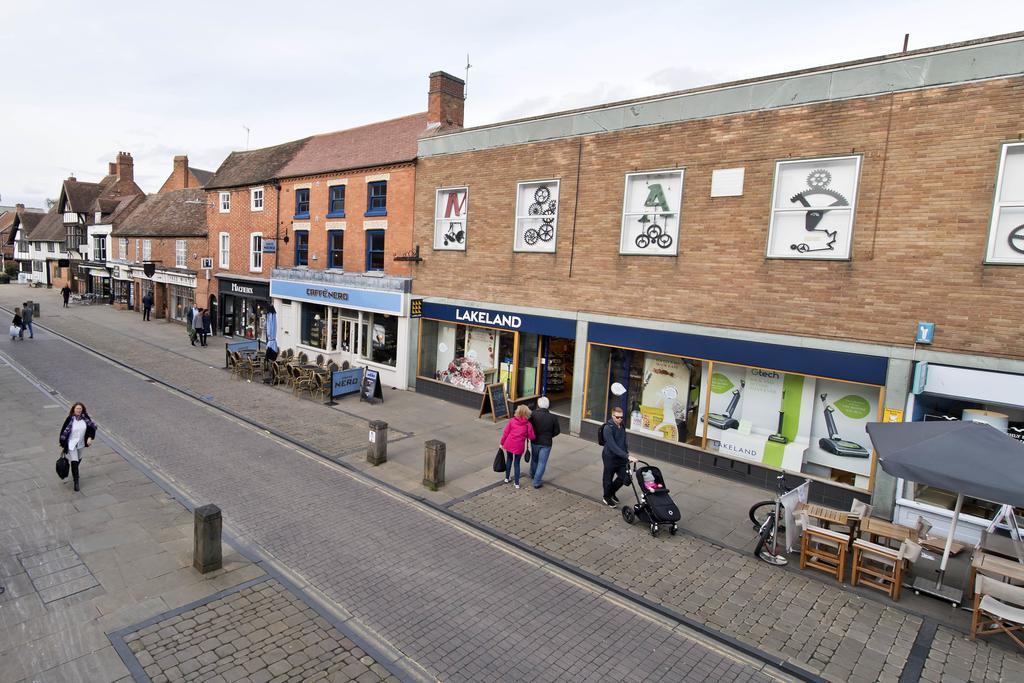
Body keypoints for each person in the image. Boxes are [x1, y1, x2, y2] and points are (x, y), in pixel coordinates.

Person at [601, 406, 637, 507]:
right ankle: (606, 497)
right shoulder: (608, 428)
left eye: (621, 417)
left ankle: (611, 492)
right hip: (610, 457)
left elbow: (623, 441)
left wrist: (626, 454)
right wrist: (627, 456)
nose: (620, 419)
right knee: (608, 478)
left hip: (621, 457)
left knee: (626, 478)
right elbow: (613, 446)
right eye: (617, 417)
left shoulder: (622, 425)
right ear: (612, 416)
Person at [58, 402, 97, 492]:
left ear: (82, 409)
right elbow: (63, 431)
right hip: (71, 444)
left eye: (80, 408)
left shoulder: (85, 419)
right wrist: (63, 443)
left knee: (78, 459)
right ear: (73, 410)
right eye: (77, 408)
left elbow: (92, 428)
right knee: (74, 461)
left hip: (81, 444)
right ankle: (76, 481)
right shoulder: (70, 419)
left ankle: (74, 470)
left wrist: (90, 438)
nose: (78, 410)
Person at [499, 404, 536, 489]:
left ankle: (507, 478)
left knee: (509, 460)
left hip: (509, 443)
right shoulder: (528, 425)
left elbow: (505, 433)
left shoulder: (512, 421)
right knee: (517, 463)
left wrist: (501, 443)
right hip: (519, 446)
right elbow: (532, 437)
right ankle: (516, 483)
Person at [528, 396, 561, 488]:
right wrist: (550, 436)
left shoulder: (533, 414)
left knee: (534, 459)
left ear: (538, 405)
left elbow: (529, 427)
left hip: (535, 441)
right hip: (546, 443)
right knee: (542, 463)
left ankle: (533, 474)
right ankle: (536, 481)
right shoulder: (553, 417)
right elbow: (557, 431)